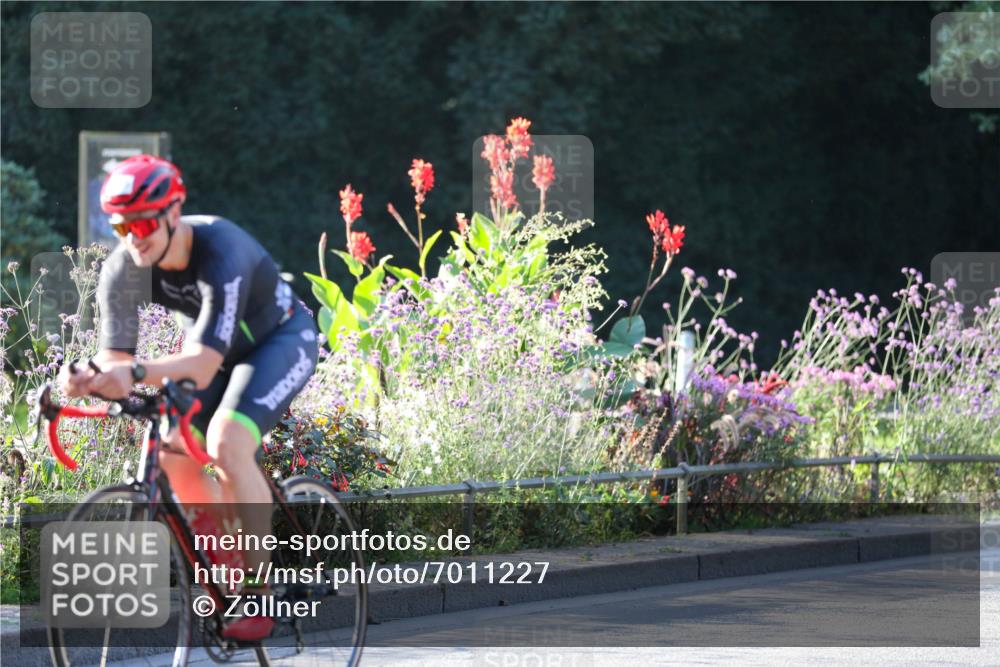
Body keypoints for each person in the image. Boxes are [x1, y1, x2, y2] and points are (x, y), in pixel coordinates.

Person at [58, 155, 318, 641]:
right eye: (120, 225)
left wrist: (132, 371)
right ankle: (224, 570)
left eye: (141, 222)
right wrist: (83, 378)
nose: (132, 236)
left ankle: (257, 592)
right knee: (175, 450)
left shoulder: (221, 247)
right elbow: (113, 357)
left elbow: (196, 365)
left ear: (173, 213)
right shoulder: (123, 268)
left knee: (227, 442)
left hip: (279, 342)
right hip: (215, 355)